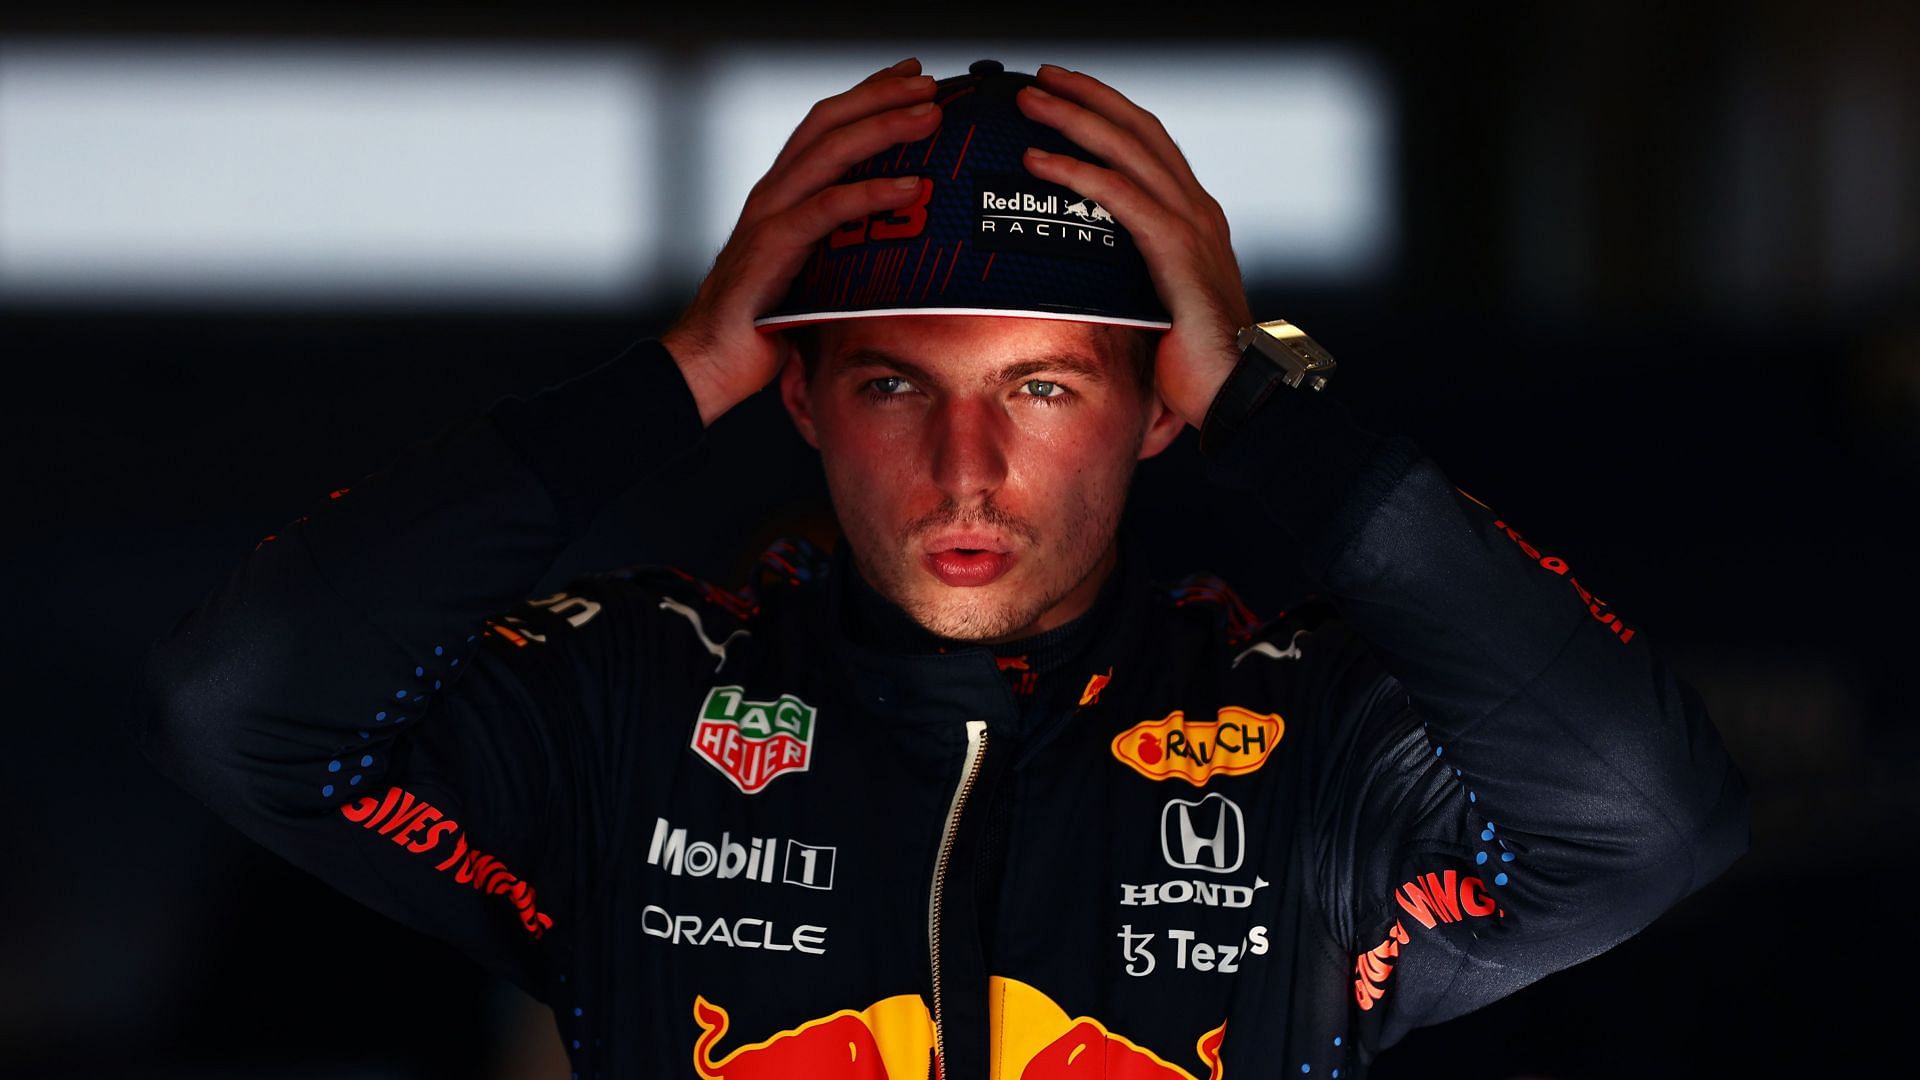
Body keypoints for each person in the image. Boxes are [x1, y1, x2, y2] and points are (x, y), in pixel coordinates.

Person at [129, 58, 1750, 1079]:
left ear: (1156, 414)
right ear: (802, 401)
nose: (967, 469)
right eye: (900, 382)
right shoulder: (624, 704)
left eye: (1042, 386)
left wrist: (1280, 414)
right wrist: (667, 377)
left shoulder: (1303, 745)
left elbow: (1645, 821)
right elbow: (247, 700)